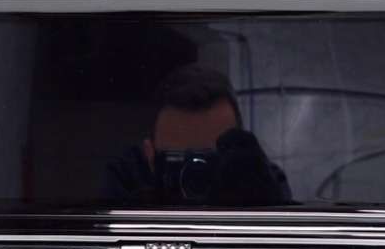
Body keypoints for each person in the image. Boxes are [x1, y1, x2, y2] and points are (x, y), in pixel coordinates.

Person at [103, 64, 291, 205]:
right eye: (177, 158)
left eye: (210, 158)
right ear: (150, 155)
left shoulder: (256, 177)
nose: (195, 173)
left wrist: (256, 204)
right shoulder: (127, 178)